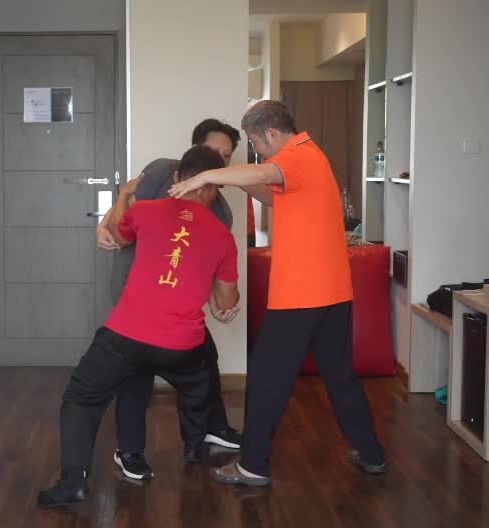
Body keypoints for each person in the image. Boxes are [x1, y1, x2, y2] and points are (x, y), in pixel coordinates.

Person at [169, 100, 386, 487]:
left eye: (255, 142)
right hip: (333, 292)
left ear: (271, 133)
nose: (258, 151)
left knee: (267, 379)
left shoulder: (297, 156)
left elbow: (266, 171)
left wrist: (206, 176)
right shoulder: (312, 157)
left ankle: (252, 466)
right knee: (340, 378)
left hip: (301, 294)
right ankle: (371, 454)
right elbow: (273, 193)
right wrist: (232, 181)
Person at [38, 146, 240, 507]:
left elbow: (118, 237)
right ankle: (196, 446)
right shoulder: (223, 235)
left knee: (82, 396)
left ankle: (73, 484)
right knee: (199, 381)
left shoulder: (146, 210)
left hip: (127, 336)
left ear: (177, 178)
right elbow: (225, 303)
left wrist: (124, 196)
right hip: (182, 347)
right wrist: (222, 296)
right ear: (213, 187)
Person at [95, 119, 243, 481]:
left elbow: (211, 268)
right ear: (193, 152)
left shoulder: (221, 212)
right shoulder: (163, 171)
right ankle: (130, 451)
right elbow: (128, 211)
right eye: (214, 151)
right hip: (134, 289)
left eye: (226, 156)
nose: (219, 161)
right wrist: (103, 224)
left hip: (174, 305)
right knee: (138, 372)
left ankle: (209, 430)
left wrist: (216, 304)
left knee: (204, 357)